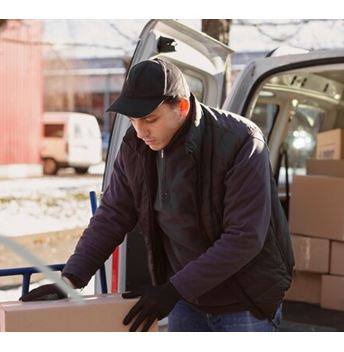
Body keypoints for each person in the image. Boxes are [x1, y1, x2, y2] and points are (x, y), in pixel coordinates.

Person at [20, 58, 294, 332]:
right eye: (133, 120)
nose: (140, 131)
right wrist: (70, 279)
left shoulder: (240, 141)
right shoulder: (135, 147)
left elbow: (244, 237)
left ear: (182, 107)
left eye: (150, 119)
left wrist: (172, 290)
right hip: (187, 299)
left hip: (243, 299)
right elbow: (112, 216)